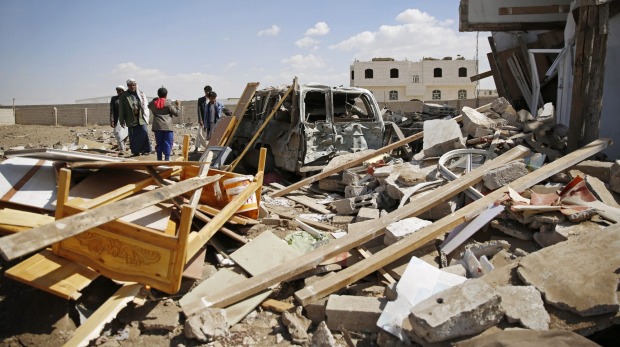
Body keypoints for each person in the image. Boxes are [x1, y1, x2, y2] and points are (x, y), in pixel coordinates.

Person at [118, 78, 152, 156]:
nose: (132, 87)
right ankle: (136, 151)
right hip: (131, 119)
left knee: (144, 132)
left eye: (133, 85)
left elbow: (145, 105)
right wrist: (121, 120)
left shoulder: (141, 94)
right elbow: (121, 109)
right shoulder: (124, 96)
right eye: (130, 85)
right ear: (128, 86)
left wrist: (146, 116)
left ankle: (146, 150)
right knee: (133, 136)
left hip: (141, 117)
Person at [148, 87, 180, 161]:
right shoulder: (168, 103)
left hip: (157, 126)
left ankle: (159, 159)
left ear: (158, 94)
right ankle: (167, 159)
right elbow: (176, 113)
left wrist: (155, 100)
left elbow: (149, 106)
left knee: (159, 143)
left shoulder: (153, 104)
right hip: (167, 126)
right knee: (168, 143)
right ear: (166, 95)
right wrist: (178, 105)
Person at [109, 85, 128, 154]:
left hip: (126, 119)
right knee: (117, 133)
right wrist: (112, 120)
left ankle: (123, 147)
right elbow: (112, 110)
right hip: (118, 119)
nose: (118, 92)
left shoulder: (127, 98)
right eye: (117, 91)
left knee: (125, 134)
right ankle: (121, 148)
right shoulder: (114, 99)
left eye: (119, 91)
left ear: (123, 91)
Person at [195, 85, 212, 152]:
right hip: (202, 120)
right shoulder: (201, 100)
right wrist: (200, 120)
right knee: (199, 133)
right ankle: (197, 147)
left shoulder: (212, 99)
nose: (207, 92)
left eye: (208, 91)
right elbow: (199, 110)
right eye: (206, 91)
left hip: (210, 121)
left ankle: (208, 147)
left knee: (209, 135)